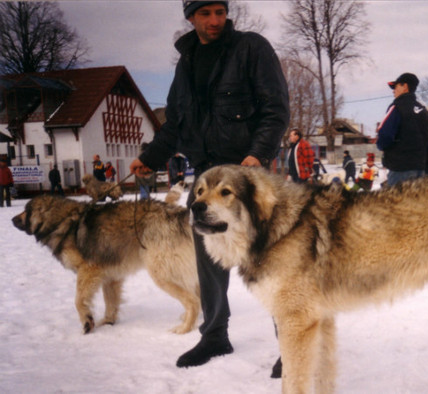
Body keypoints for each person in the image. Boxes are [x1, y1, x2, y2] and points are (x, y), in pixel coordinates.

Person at [128, 0, 289, 371]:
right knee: (209, 260)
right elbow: (175, 124)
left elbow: (276, 107)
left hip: (248, 174)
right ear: (190, 17)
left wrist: (257, 155)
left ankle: (290, 339)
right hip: (205, 176)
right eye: (206, 13)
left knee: (270, 259)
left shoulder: (251, 48)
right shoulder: (186, 64)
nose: (215, 20)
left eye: (220, 11)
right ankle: (215, 334)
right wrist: (150, 157)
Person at [376, 73, 428, 187]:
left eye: (395, 87)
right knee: (417, 203)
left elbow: (384, 135)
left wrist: (384, 150)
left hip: (400, 170)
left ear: (405, 86)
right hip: (421, 170)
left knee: (397, 203)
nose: (393, 91)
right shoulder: (424, 112)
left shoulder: (397, 107)